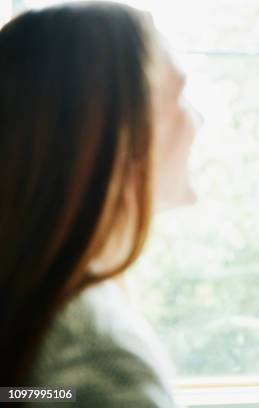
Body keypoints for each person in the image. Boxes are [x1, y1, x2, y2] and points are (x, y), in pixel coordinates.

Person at [0, 2, 201, 406]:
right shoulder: (98, 358)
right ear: (116, 134)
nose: (196, 119)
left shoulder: (42, 302)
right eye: (178, 95)